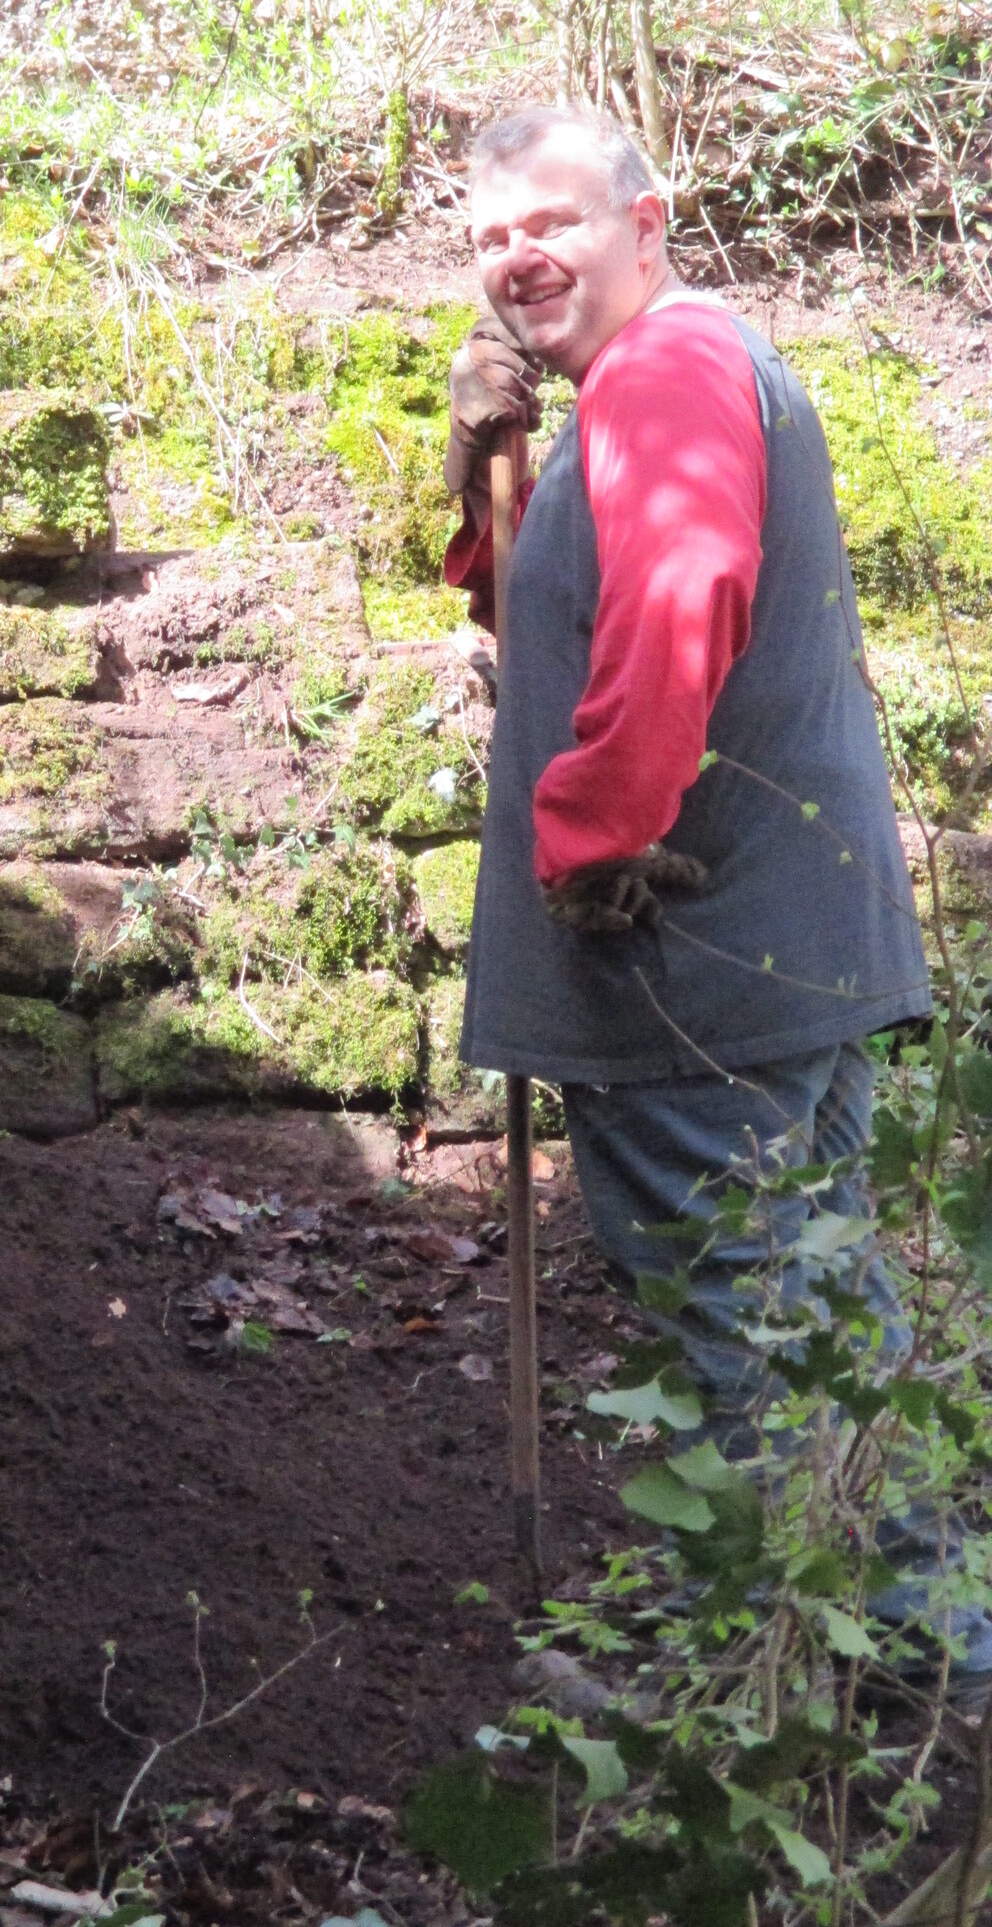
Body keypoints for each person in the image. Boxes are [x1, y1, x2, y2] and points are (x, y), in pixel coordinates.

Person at [444, 102, 992, 1678]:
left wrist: (589, 832)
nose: (521, 258)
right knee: (815, 1305)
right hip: (776, 951)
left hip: (699, 959)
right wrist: (484, 461)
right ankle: (878, 1659)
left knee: (752, 1319)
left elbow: (682, 591)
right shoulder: (643, 381)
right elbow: (556, 601)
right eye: (493, 238)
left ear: (647, 223)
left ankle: (841, 1678)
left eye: (554, 223)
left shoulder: (669, 372)